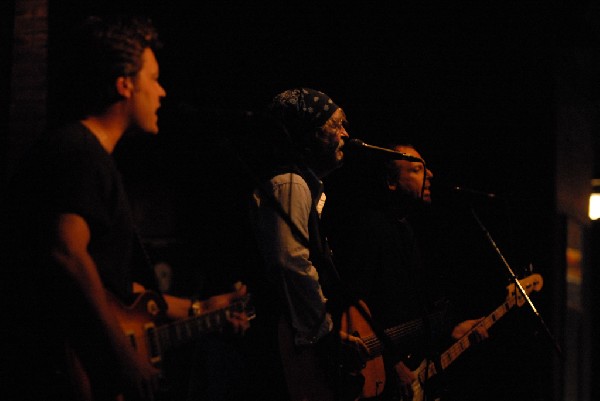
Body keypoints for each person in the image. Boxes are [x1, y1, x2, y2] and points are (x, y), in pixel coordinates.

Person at [0, 15, 248, 401]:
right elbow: (66, 254)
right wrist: (122, 357)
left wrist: (203, 308)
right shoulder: (78, 152)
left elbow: (113, 287)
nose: (162, 92)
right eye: (154, 77)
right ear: (125, 84)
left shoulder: (89, 156)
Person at [323, 141, 489, 401]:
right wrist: (394, 365)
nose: (430, 175)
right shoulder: (372, 226)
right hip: (378, 379)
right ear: (391, 182)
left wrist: (451, 330)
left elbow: (408, 313)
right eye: (417, 169)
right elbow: (354, 306)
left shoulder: (406, 231)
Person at [244, 88, 369, 401]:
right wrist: (324, 334)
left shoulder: (300, 185)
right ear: (310, 133)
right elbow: (291, 263)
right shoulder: (290, 182)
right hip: (281, 350)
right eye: (336, 125)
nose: (346, 133)